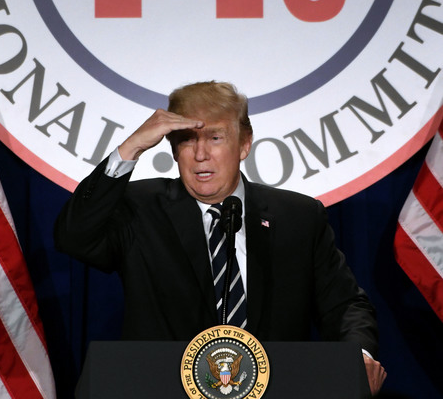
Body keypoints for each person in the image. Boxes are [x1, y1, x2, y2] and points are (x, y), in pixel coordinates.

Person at [54, 81, 386, 395]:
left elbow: (344, 305)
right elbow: (74, 237)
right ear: (173, 149)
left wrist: (359, 358)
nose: (200, 154)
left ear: (244, 144)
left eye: (215, 137)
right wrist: (131, 148)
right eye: (186, 140)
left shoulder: (298, 217)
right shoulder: (139, 209)